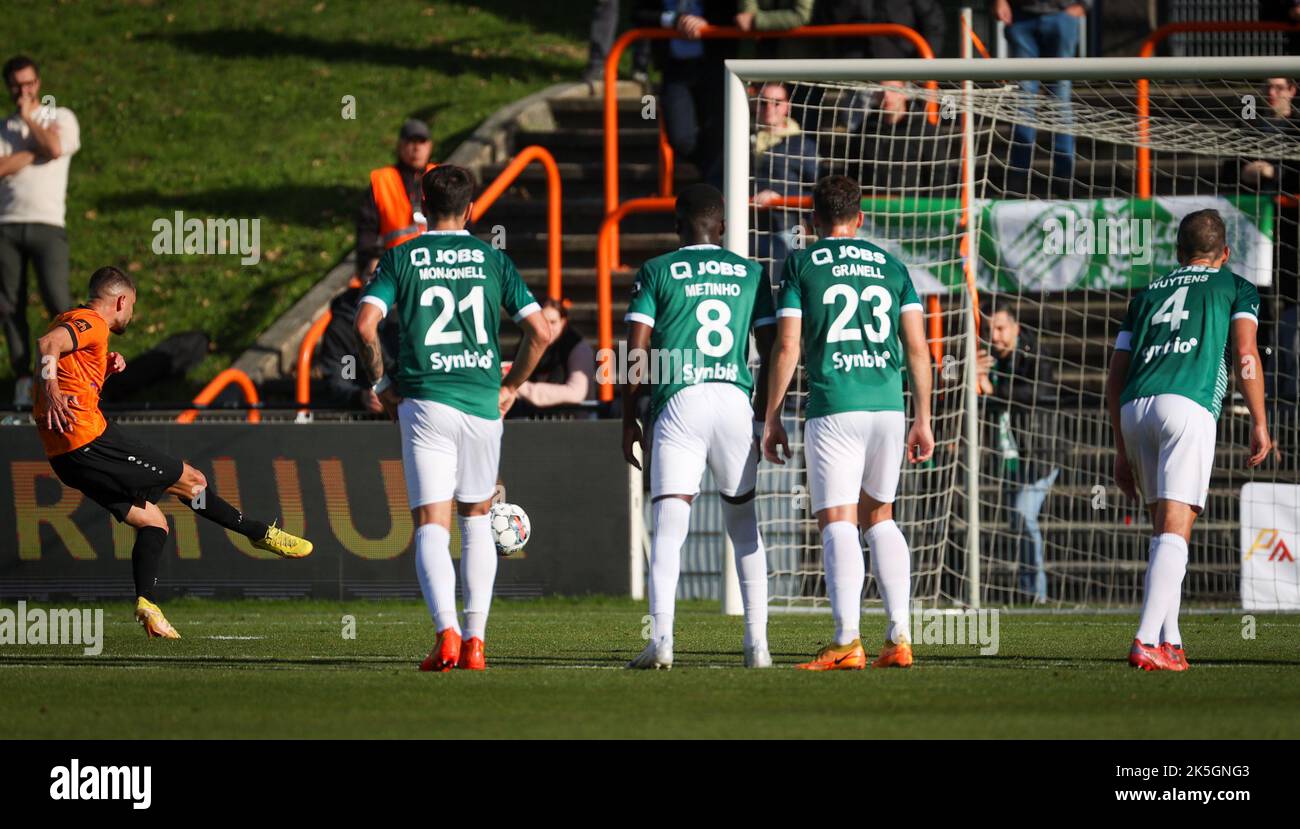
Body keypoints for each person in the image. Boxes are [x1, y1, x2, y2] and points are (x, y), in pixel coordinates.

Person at [34, 267, 312, 639]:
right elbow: (47, 345)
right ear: (120, 301)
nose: (131, 314)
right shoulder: (93, 323)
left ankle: (147, 604)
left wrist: (104, 367)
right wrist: (51, 390)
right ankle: (260, 533)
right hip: (91, 441)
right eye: (132, 305)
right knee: (192, 480)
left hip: (65, 458)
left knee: (154, 523)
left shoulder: (77, 323)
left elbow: (71, 364)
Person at [355, 165, 553, 672]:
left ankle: (446, 633)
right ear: (471, 208)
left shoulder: (401, 256)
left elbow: (365, 325)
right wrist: (511, 387)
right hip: (483, 403)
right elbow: (540, 333)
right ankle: (477, 643)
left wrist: (381, 383)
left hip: (425, 401)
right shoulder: (493, 260)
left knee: (430, 525)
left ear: (422, 203)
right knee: (478, 521)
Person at [763, 175, 935, 670]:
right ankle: (899, 636)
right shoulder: (893, 266)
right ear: (860, 219)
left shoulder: (800, 263)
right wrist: (923, 418)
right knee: (880, 518)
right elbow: (918, 349)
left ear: (813, 220)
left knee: (838, 520)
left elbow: (789, 346)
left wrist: (772, 416)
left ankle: (845, 642)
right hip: (888, 405)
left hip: (835, 404)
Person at [1107, 209, 1274, 671]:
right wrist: (1259, 420)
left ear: (1178, 253)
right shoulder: (1234, 285)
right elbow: (1244, 353)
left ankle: (1170, 639)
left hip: (1134, 407)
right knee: (1176, 531)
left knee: (1163, 531)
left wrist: (1120, 447)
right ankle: (1144, 640)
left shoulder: (1145, 295)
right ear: (1224, 253)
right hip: (1187, 404)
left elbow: (1115, 373)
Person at [621, 183, 776, 669]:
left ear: (676, 224)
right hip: (734, 398)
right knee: (744, 526)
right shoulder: (752, 272)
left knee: (669, 526)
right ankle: (758, 646)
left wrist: (630, 417)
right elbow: (771, 349)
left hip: (680, 399)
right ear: (724, 227)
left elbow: (637, 347)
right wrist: (767, 415)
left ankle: (662, 640)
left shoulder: (657, 269)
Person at [1, 55, 80, 408]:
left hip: (48, 224)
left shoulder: (61, 117)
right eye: (17, 85)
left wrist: (31, 122)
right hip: (6, 225)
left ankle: (70, 371)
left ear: (39, 83)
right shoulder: (3, 128)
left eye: (29, 83)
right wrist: (37, 150)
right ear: (9, 87)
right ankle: (22, 377)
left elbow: (56, 146)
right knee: (8, 306)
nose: (24, 91)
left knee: (57, 299)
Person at [976, 305, 1059, 604]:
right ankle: (1027, 588)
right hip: (1008, 457)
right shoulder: (985, 360)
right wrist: (970, 379)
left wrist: (991, 389)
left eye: (1000, 328)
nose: (994, 336)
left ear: (1016, 328)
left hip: (1041, 454)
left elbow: (1037, 394)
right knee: (1017, 521)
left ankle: (1036, 592)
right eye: (989, 331)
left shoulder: (1035, 354)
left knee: (1024, 516)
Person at [1238, 78, 1300, 405]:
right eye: (1267, 87)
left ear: (1292, 90)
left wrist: (1274, 175)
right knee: (1256, 309)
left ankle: (1285, 393)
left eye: (1278, 87)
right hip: (1255, 235)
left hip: (1291, 234)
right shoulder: (1251, 127)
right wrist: (1247, 173)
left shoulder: (1296, 127)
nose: (1270, 93)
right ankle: (1257, 387)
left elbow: (1288, 175)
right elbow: (1231, 168)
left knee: (1290, 312)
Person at [634, 1, 738, 184]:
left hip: (715, 65)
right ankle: (711, 184)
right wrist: (673, 19)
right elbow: (640, 13)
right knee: (681, 137)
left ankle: (714, 191)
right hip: (675, 69)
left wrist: (708, 24)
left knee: (717, 134)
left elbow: (734, 12)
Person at [992, 0, 1089, 193]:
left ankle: (1063, 176)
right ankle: (1018, 176)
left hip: (1062, 15)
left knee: (1060, 98)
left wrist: (1084, 5)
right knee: (1023, 100)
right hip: (1021, 18)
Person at [752, 82, 820, 283]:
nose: (769, 108)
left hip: (791, 227)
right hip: (750, 227)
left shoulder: (803, 145)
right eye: (764, 103)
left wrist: (780, 198)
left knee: (787, 283)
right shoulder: (742, 139)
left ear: (787, 106)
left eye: (776, 102)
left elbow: (817, 187)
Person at [355, 118, 437, 282]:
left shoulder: (440, 176)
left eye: (421, 142)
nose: (416, 148)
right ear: (400, 146)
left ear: (430, 146)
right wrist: (370, 259)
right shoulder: (382, 181)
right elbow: (367, 229)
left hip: (438, 263)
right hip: (397, 267)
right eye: (411, 142)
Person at [507, 297, 596, 418]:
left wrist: (521, 388)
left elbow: (576, 393)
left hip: (573, 423)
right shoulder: (527, 342)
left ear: (563, 322)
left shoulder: (577, 347)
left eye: (553, 322)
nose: (547, 327)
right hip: (532, 421)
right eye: (543, 321)